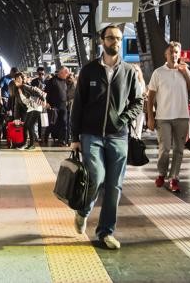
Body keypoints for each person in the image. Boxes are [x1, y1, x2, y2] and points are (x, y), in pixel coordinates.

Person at [70, 24, 143, 250]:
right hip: (91, 135)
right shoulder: (89, 70)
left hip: (118, 137)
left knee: (115, 187)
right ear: (101, 41)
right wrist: (74, 137)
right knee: (97, 176)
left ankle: (105, 232)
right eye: (111, 38)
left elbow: (138, 102)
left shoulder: (129, 72)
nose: (116, 42)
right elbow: (78, 105)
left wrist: (123, 119)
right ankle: (83, 211)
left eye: (119, 38)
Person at [145, 41, 190, 192]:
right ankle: (162, 173)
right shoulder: (158, 72)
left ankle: (174, 177)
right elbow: (150, 97)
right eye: (171, 52)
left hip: (182, 116)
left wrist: (186, 73)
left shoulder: (184, 71)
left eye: (176, 52)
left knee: (179, 149)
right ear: (166, 54)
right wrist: (150, 116)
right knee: (165, 148)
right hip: (163, 117)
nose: (174, 55)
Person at [10, 72, 45, 150]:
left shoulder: (25, 86)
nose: (18, 80)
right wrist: (16, 118)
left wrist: (43, 99)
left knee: (30, 125)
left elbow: (35, 91)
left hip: (36, 107)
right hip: (30, 108)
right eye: (16, 79)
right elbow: (16, 105)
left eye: (20, 79)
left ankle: (32, 144)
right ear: (14, 81)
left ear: (22, 80)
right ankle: (24, 144)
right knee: (25, 126)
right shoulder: (17, 92)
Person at [45, 67, 73, 146]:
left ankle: (62, 140)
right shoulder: (52, 81)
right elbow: (46, 92)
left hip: (63, 106)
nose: (67, 75)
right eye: (66, 73)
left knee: (64, 123)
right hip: (54, 106)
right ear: (61, 73)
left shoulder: (65, 81)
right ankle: (45, 137)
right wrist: (47, 102)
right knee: (52, 123)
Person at [130, 63, 146, 139]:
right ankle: (132, 138)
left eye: (137, 70)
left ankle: (137, 140)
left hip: (141, 106)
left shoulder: (141, 82)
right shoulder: (130, 81)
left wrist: (145, 94)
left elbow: (144, 92)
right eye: (134, 70)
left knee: (139, 124)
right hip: (132, 106)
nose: (135, 72)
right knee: (132, 123)